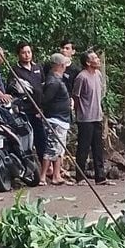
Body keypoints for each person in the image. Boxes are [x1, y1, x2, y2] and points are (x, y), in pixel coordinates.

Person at [70, 50, 107, 184]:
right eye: (95, 58)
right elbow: (76, 96)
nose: (98, 60)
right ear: (87, 62)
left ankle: (100, 176)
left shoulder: (98, 74)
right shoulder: (82, 77)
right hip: (85, 118)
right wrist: (81, 111)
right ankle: (80, 176)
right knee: (83, 148)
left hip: (97, 116)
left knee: (98, 148)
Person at [37, 53, 73, 185]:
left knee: (58, 149)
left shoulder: (58, 79)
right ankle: (42, 176)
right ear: (59, 65)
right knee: (51, 148)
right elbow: (46, 100)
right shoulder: (53, 81)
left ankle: (56, 175)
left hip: (61, 119)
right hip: (55, 120)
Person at [10, 42, 47, 168]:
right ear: (19, 54)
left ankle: (45, 168)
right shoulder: (15, 70)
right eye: (24, 52)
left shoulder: (38, 68)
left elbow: (43, 86)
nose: (27, 55)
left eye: (29, 52)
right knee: (26, 141)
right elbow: (11, 90)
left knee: (41, 139)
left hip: (38, 110)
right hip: (24, 111)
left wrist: (43, 106)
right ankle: (29, 168)